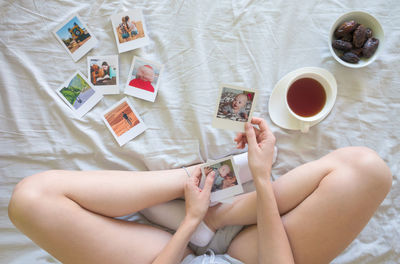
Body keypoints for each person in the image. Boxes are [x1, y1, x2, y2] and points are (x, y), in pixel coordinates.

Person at [8, 117, 392, 264]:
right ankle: (215, 202)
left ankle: (196, 187)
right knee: (368, 170)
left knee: (30, 201)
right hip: (255, 258)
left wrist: (190, 222)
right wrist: (259, 174)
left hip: (167, 258)